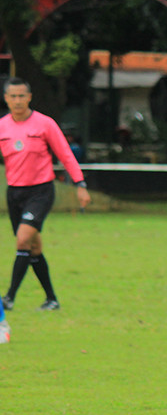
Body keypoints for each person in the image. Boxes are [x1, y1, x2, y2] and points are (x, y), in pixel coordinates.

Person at [0, 77, 90, 311]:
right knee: (33, 248)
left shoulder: (45, 124)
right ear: (6, 99)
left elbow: (66, 154)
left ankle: (9, 298)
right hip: (14, 193)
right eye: (13, 96)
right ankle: (51, 299)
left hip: (40, 191)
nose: (17, 100)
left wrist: (80, 183)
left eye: (22, 96)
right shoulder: (2, 126)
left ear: (29, 97)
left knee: (22, 239)